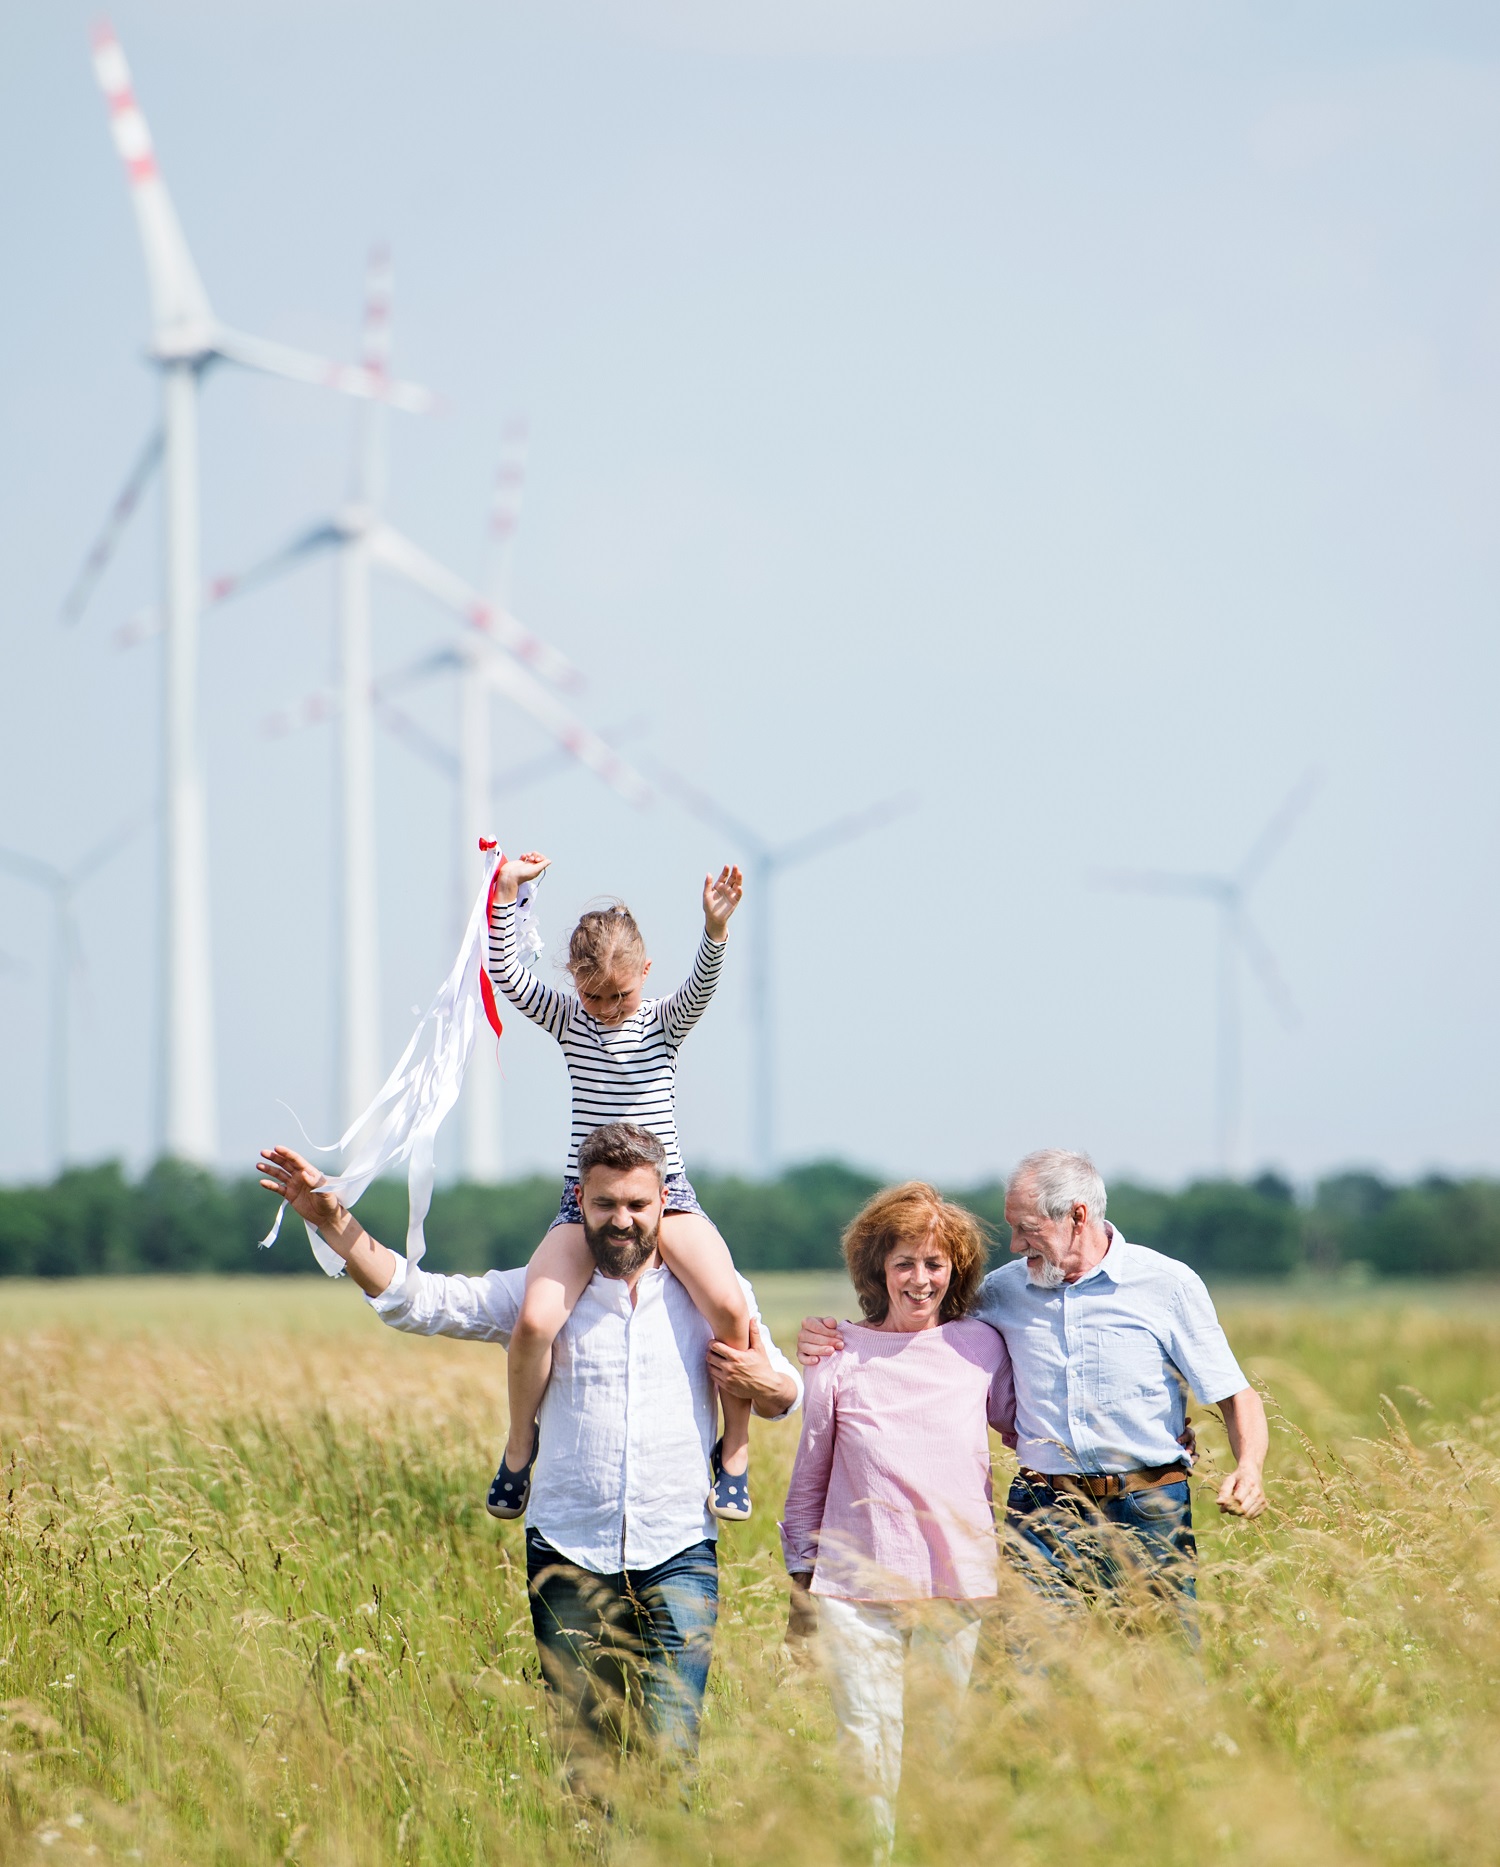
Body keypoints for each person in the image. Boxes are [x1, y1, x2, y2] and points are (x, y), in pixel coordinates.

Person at [256, 1121, 801, 1770]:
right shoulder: (540, 1292)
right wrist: (331, 1219)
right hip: (568, 1551)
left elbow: (783, 1389)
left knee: (671, 1758)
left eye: (637, 1204)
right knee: (587, 1769)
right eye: (604, 1204)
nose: (621, 1220)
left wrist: (768, 1381)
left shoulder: (711, 1297)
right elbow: (420, 1300)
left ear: (665, 1204)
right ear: (579, 1201)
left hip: (679, 1547)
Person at [799, 1149, 1267, 1621]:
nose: (1016, 1244)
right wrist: (840, 1338)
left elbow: (1234, 1392)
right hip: (1042, 1511)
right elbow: (918, 1327)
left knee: (1164, 1670)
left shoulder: (1167, 1285)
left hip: (1148, 1507)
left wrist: (1249, 1467)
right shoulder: (1000, 1293)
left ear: (1077, 1217)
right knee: (1032, 1678)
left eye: (1027, 1228)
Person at [485, 851, 757, 1523]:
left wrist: (715, 928)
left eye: (618, 993)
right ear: (576, 986)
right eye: (593, 994)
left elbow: (702, 986)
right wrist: (506, 895)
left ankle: (736, 1452)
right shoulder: (570, 1022)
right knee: (533, 1321)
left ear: (645, 974)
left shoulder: (662, 1021)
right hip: (585, 1200)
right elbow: (508, 976)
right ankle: (520, 1446)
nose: (605, 1009)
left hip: (668, 1195)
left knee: (729, 1307)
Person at [780, 1183, 1014, 1857]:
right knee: (868, 1753)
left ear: (956, 1270)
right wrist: (800, 1584)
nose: (920, 1278)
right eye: (905, 1262)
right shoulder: (836, 1356)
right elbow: (808, 1480)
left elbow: (1026, 1426)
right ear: (877, 1269)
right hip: (856, 1591)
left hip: (956, 1587)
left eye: (935, 1263)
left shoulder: (981, 1347)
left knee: (938, 1756)